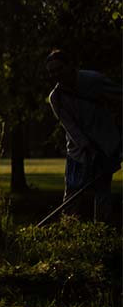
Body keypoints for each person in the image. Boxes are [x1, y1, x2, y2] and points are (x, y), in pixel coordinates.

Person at [45, 49, 122, 223]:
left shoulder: (94, 80)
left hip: (104, 146)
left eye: (58, 69)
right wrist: (89, 150)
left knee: (103, 193)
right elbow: (72, 130)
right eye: (51, 72)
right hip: (78, 153)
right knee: (72, 194)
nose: (56, 75)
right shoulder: (56, 98)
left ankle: (101, 234)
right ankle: (67, 233)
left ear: (70, 66)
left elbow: (119, 95)